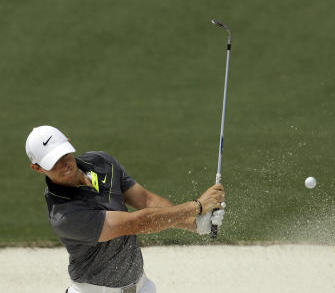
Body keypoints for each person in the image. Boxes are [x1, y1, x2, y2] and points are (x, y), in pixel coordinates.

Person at [25, 125, 226, 293]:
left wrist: (195, 224)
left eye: (64, 155)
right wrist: (197, 206)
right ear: (37, 167)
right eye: (53, 162)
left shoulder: (101, 162)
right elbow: (138, 223)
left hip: (142, 286)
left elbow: (146, 201)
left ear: (68, 143)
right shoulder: (64, 215)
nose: (64, 165)